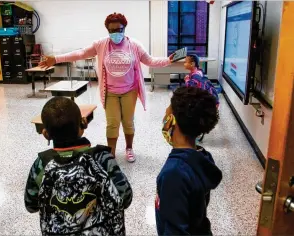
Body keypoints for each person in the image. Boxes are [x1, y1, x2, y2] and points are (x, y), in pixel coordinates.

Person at [39, 12, 175, 162]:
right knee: (112, 123)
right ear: (107, 30)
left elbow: (150, 60)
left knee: (128, 122)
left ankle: (129, 148)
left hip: (129, 90)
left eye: (120, 29)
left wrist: (167, 60)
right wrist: (56, 59)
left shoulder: (134, 45)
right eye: (112, 30)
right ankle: (111, 152)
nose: (116, 33)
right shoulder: (101, 44)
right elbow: (81, 53)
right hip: (110, 91)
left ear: (124, 28)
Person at [24, 97, 132, 235]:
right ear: (82, 125)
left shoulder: (42, 164)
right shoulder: (102, 159)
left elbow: (31, 205)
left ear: (46, 134)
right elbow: (126, 198)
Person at [155, 87, 222, 235]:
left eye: (167, 114)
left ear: (172, 121)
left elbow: (175, 231)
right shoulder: (202, 156)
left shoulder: (174, 174)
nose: (164, 119)